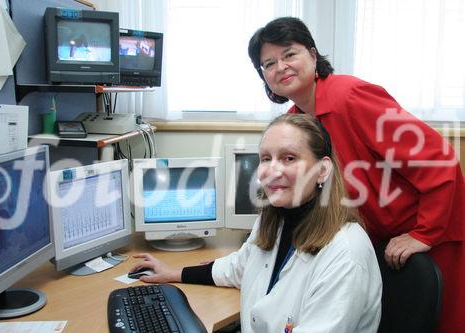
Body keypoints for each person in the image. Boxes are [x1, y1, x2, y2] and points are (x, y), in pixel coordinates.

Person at [247, 16, 465, 333]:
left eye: (289, 54)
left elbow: (439, 159)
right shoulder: (294, 121)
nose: (280, 67)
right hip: (378, 240)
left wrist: (423, 234)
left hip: (427, 231)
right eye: (269, 63)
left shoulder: (351, 96)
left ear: (312, 53)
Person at [130, 114, 382, 332]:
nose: (271, 170)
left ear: (323, 170)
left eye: (289, 158)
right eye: (265, 158)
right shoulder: (273, 220)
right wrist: (173, 273)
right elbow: (239, 267)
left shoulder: (346, 252)